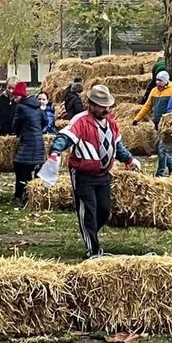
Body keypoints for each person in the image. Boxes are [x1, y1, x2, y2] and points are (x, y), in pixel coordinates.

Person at [44, 84, 142, 257]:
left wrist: (129, 159)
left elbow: (117, 145)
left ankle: (90, 233)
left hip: (103, 174)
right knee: (88, 210)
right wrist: (55, 151)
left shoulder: (111, 122)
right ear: (92, 105)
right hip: (83, 174)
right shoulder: (80, 121)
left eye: (108, 106)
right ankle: (93, 250)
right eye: (103, 106)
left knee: (104, 210)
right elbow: (64, 137)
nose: (107, 109)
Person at [134, 70, 172, 176]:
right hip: (157, 123)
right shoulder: (154, 91)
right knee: (161, 148)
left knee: (161, 148)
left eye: (160, 80)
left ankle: (160, 172)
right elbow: (147, 106)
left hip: (167, 124)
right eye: (157, 80)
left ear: (166, 81)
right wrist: (137, 118)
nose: (158, 82)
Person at [0, 77, 21, 201]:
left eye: (13, 88)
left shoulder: (19, 101)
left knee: (17, 165)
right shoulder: (1, 99)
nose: (11, 91)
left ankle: (18, 193)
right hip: (1, 135)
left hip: (14, 135)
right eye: (9, 88)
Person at [11, 85, 45, 206]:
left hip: (27, 144)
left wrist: (19, 132)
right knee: (36, 172)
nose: (14, 99)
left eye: (15, 96)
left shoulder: (21, 107)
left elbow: (15, 126)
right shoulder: (37, 106)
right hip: (39, 144)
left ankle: (22, 196)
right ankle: (36, 196)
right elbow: (45, 120)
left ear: (20, 96)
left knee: (21, 170)